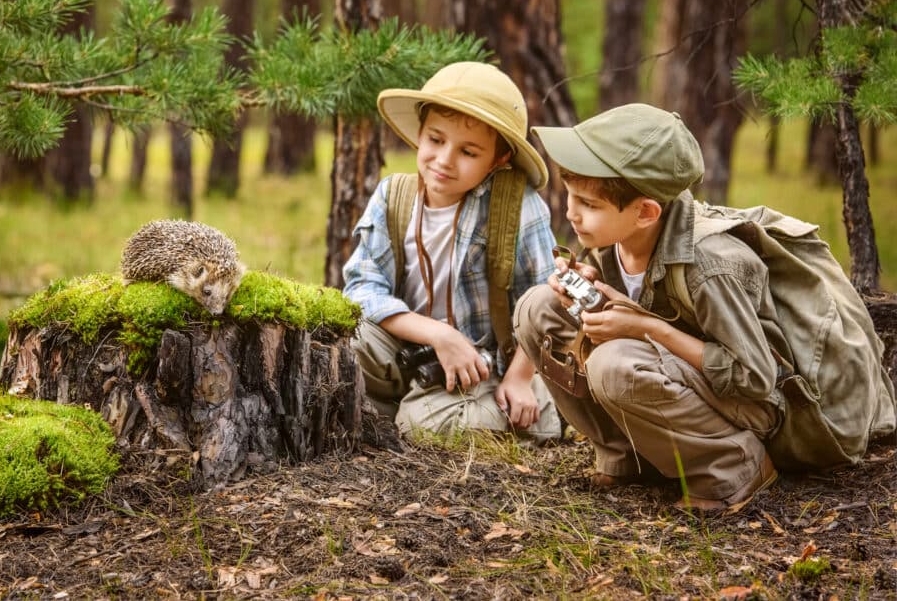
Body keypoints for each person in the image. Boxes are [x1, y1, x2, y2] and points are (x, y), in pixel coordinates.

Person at [514, 103, 895, 512]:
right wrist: (591, 291)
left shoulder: (710, 266)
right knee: (538, 308)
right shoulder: (618, 244)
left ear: (645, 212)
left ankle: (733, 465)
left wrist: (646, 329)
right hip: (700, 388)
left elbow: (754, 378)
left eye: (588, 204)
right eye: (570, 196)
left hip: (769, 411)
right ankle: (627, 456)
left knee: (614, 364)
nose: (571, 213)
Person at [343, 61, 562, 443]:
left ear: (499, 159)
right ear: (420, 135)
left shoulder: (516, 208)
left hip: (483, 365)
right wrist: (438, 334)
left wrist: (520, 377)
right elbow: (362, 287)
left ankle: (529, 410)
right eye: (435, 140)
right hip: (415, 349)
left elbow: (546, 304)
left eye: (469, 152)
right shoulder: (393, 196)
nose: (444, 160)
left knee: (421, 425)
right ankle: (411, 408)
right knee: (350, 338)